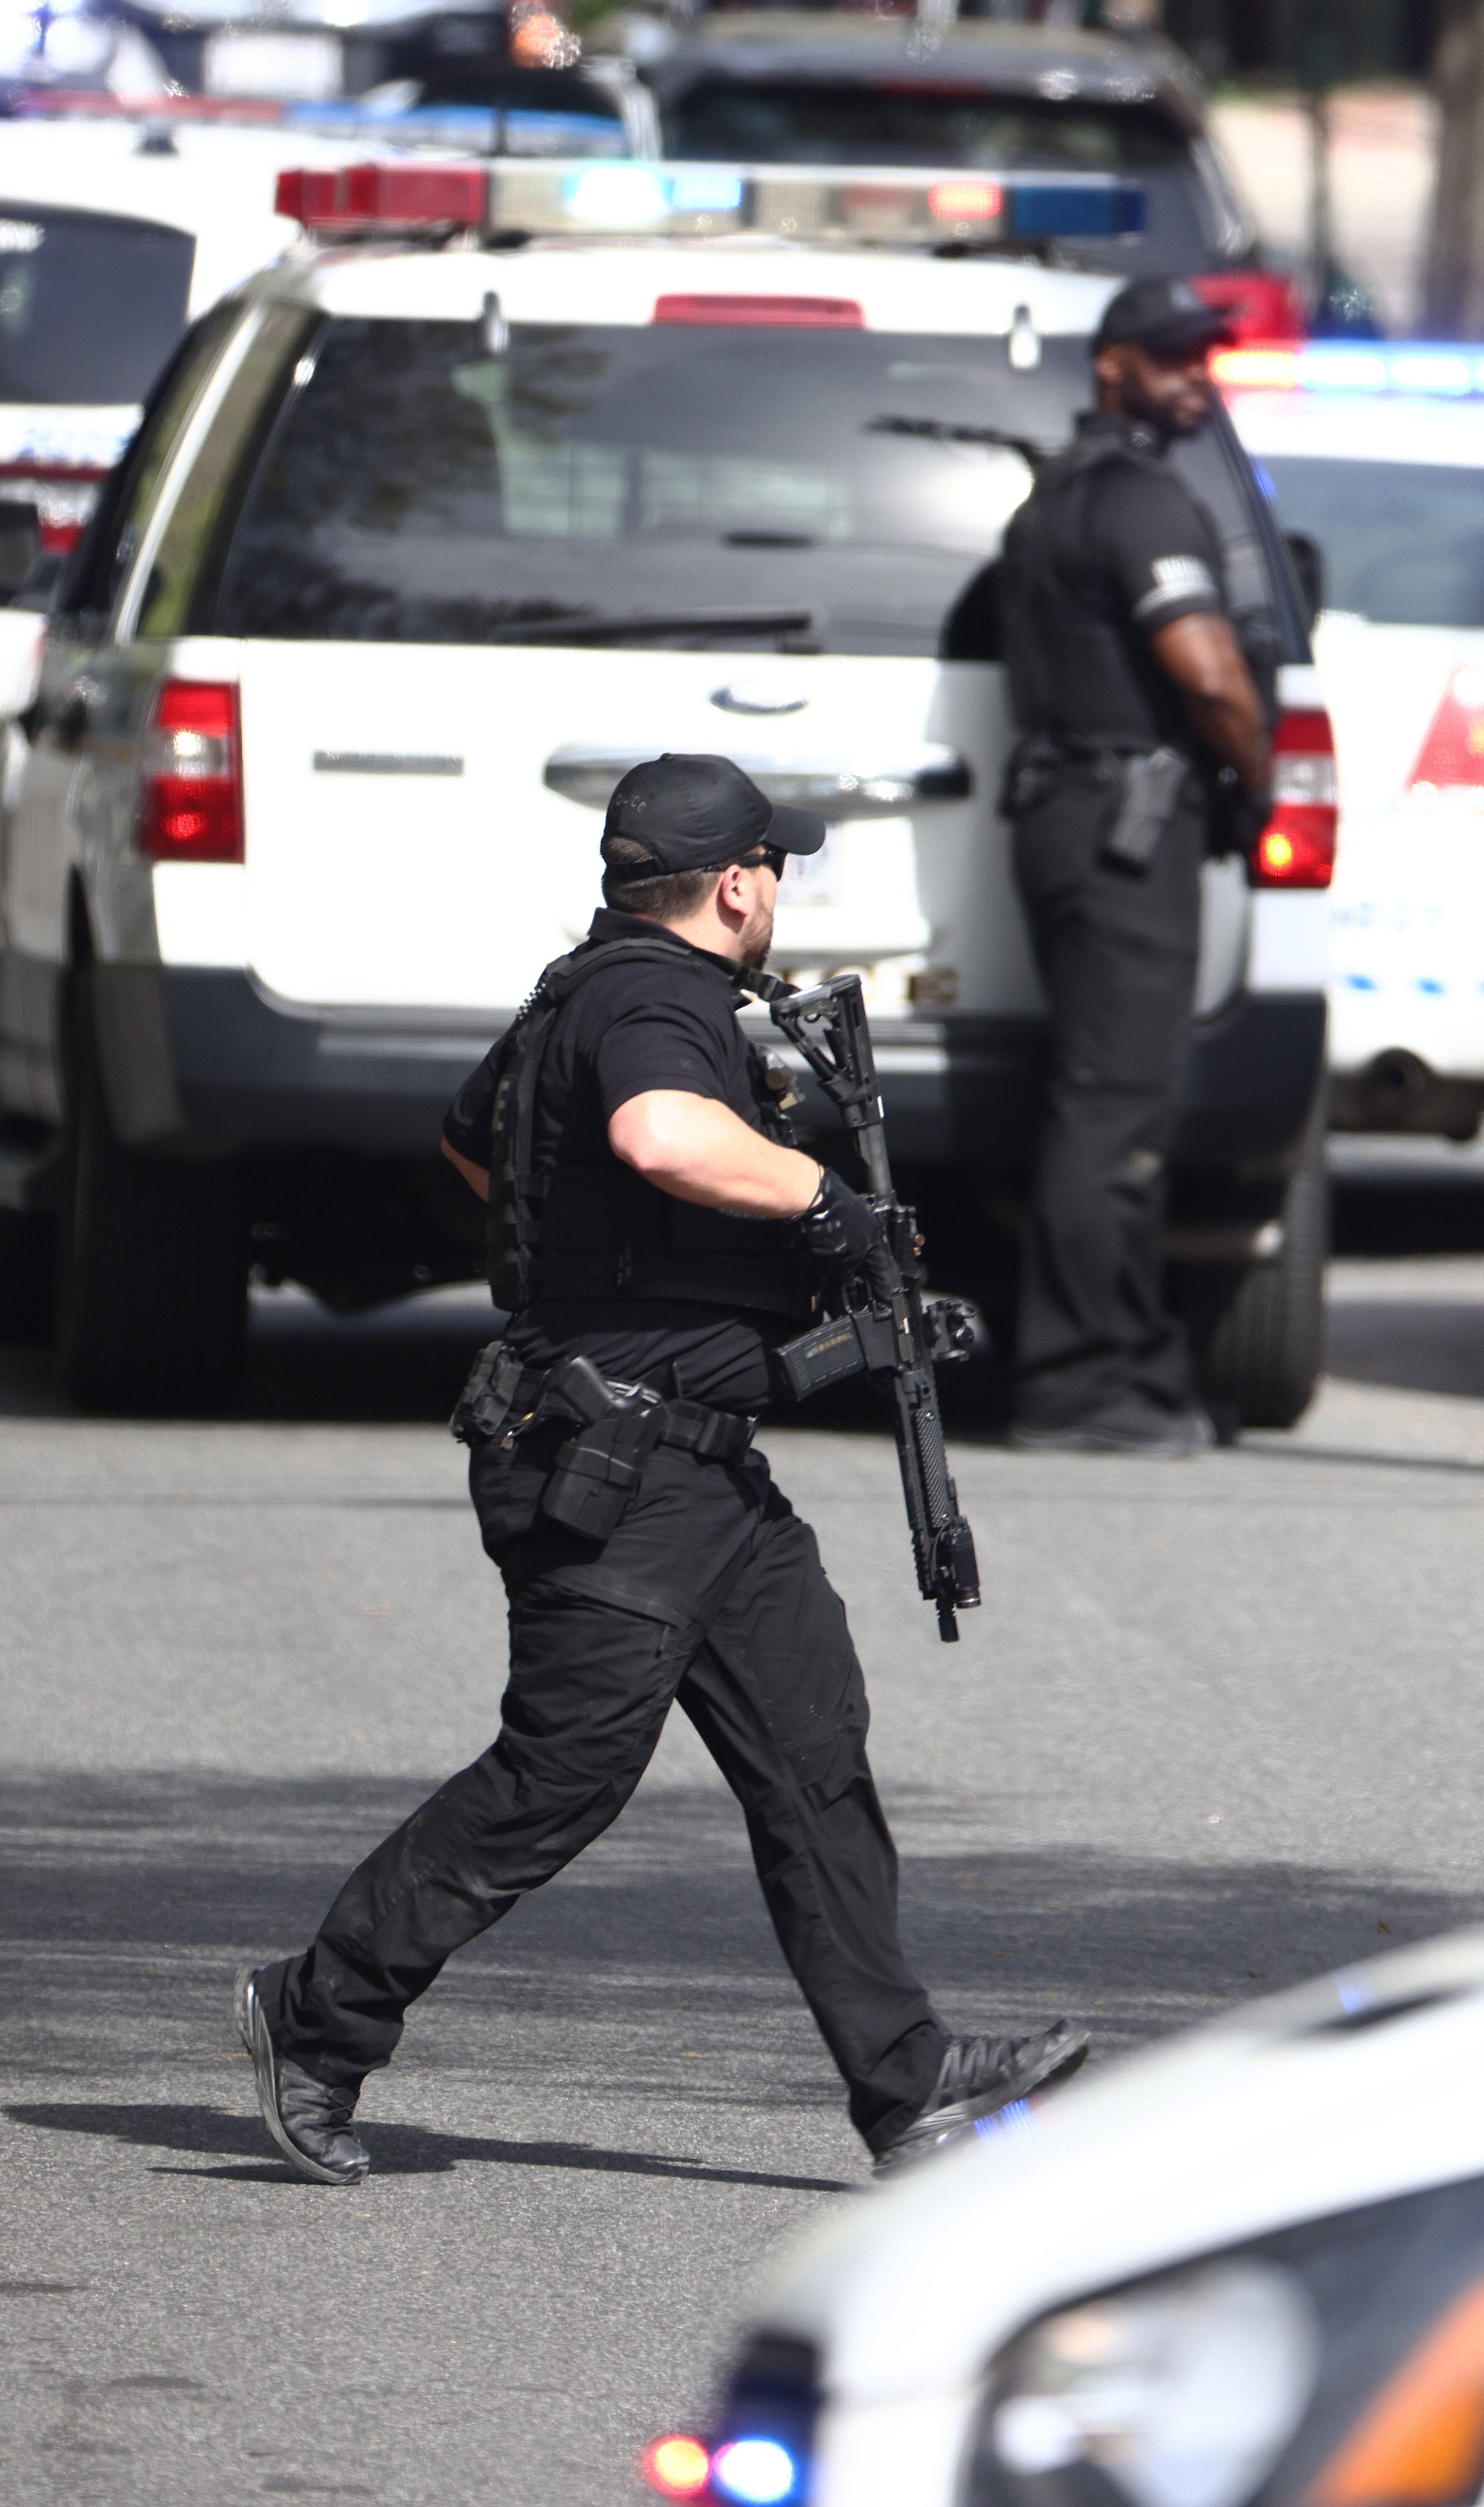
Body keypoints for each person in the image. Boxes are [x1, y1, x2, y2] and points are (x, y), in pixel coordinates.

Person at [241, 754, 1089, 2183]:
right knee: (559, 1780)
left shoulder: (584, 988)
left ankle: (908, 2084)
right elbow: (654, 1130)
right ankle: (314, 2017)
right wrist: (817, 1198)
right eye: (778, 869)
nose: (780, 892)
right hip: (617, 1470)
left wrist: (612, 1256)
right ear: (738, 884)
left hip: (700, 1474)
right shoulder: (658, 1002)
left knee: (813, 1751)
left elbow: (476, 1143)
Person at [993, 275, 1276, 1455]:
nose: (1194, 378)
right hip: (1123, 827)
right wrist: (1257, 778)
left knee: (1103, 1104)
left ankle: (1125, 1358)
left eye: (1204, 358)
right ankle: (1079, 1380)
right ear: (1113, 365)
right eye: (1171, 358)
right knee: (1115, 1114)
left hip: (1073, 814)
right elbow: (1209, 678)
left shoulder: (1059, 492)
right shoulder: (1141, 504)